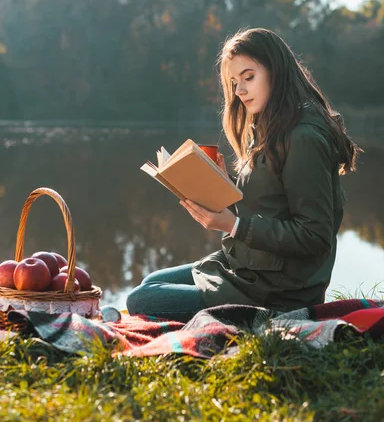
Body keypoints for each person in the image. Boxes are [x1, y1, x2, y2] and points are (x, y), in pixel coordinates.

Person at [126, 28, 360, 322]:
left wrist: (233, 224)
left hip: (278, 292)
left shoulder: (303, 138)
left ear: (277, 72)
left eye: (249, 77)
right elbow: (272, 205)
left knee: (142, 299)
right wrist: (224, 188)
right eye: (235, 82)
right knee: (150, 283)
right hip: (249, 268)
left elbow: (315, 236)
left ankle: (250, 320)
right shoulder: (270, 126)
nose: (239, 90)